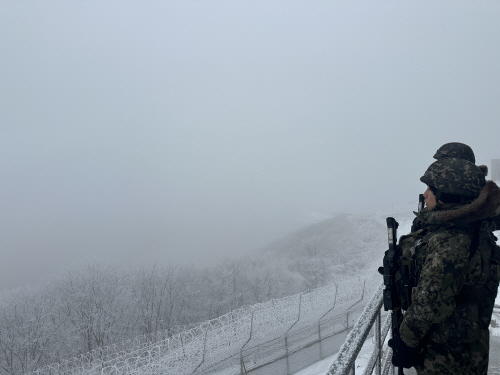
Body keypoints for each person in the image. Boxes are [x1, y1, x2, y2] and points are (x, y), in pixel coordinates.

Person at [389, 155, 500, 374]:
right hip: (467, 346)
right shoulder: (472, 229)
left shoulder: (451, 241)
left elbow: (430, 303)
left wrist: (406, 342)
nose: (425, 194)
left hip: (447, 356)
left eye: (431, 188)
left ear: (448, 194)